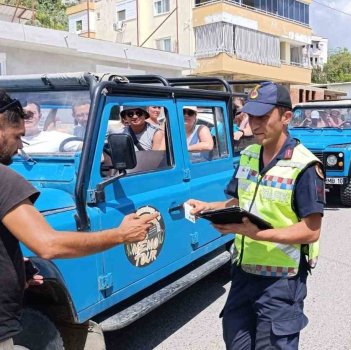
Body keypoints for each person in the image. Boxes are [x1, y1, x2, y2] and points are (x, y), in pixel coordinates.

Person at [0, 90, 157, 349]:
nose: (19, 147)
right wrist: (121, 235)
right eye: (17, 136)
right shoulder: (5, 179)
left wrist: (16, 265)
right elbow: (49, 245)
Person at [187, 82, 324, 350]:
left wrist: (258, 234)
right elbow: (239, 200)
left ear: (286, 117)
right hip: (242, 274)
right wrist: (209, 207)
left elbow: (311, 230)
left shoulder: (305, 165)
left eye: (263, 116)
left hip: (280, 282)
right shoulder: (249, 155)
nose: (255, 124)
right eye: (251, 116)